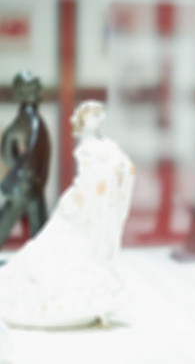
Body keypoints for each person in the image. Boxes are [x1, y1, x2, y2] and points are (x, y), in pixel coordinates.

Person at [0, 100, 135, 328]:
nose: (98, 117)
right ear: (83, 118)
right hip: (86, 202)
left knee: (87, 246)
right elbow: (92, 176)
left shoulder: (107, 143)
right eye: (93, 114)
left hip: (98, 204)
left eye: (99, 113)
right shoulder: (86, 147)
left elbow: (120, 167)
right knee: (62, 246)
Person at [0, 71, 51, 250]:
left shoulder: (27, 122)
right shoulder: (30, 122)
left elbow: (7, 152)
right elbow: (7, 150)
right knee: (7, 222)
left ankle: (42, 259)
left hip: (31, 185)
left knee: (40, 230)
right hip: (25, 184)